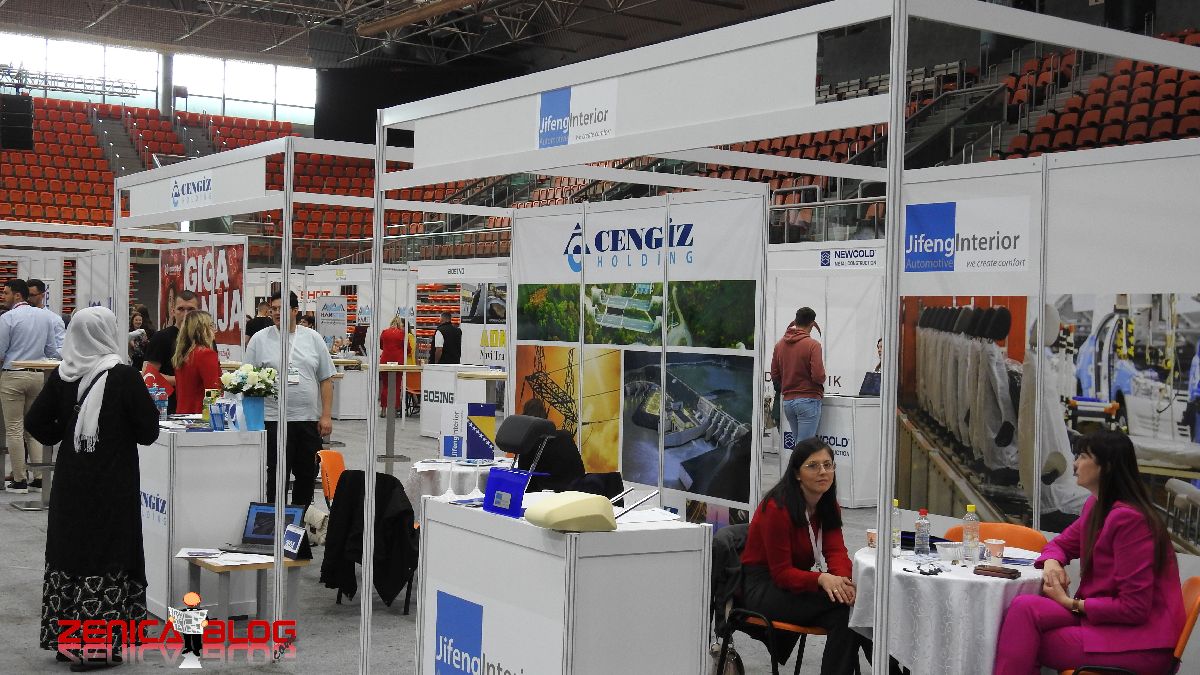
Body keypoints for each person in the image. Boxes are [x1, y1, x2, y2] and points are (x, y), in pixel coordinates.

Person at [25, 306, 159, 669]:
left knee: (70, 553)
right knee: (108, 555)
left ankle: (68, 640)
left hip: (71, 481)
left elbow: (36, 422)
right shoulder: (123, 376)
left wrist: (66, 430)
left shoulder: (63, 374)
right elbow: (149, 432)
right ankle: (97, 647)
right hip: (112, 483)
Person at [994, 430, 1184, 675]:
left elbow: (1134, 608)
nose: (1075, 464)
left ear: (1107, 467)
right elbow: (1060, 545)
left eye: (1083, 456)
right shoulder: (1096, 505)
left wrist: (1069, 603)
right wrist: (1052, 563)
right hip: (1102, 620)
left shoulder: (1131, 521)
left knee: (1026, 640)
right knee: (1024, 608)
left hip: (1141, 642)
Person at [739, 437, 870, 674]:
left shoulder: (827, 504)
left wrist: (842, 582)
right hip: (763, 587)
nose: (823, 472)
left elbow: (836, 551)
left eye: (828, 465)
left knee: (855, 607)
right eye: (813, 466)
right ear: (797, 473)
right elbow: (781, 574)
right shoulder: (777, 508)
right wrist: (822, 579)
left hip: (795, 583)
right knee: (849, 610)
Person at [245, 290, 335, 506]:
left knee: (307, 473)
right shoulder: (259, 339)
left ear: (295, 311)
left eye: (281, 309)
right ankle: (276, 518)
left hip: (307, 420)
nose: (276, 313)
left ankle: (300, 520)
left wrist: (326, 416)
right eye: (273, 309)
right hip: (273, 419)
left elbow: (326, 379)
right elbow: (247, 379)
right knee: (277, 473)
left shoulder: (313, 338)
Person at [0, 279, 64, 493]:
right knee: (33, 425)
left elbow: (0, 351)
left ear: (17, 295)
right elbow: (52, 350)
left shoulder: (8, 318)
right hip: (38, 376)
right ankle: (39, 478)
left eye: (6, 293)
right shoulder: (46, 317)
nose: (3, 297)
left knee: (14, 428)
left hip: (13, 375)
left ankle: (19, 479)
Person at [771, 307, 826, 446]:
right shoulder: (813, 345)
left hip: (788, 401)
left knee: (799, 445)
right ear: (812, 324)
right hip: (808, 399)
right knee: (804, 447)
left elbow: (775, 374)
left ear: (795, 321)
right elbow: (818, 375)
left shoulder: (779, 345)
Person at [142, 289, 199, 415]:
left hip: (198, 407)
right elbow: (149, 375)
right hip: (168, 408)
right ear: (173, 311)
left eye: (191, 309)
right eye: (181, 309)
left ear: (198, 312)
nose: (186, 314)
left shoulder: (205, 339)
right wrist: (183, 380)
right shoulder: (161, 338)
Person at [515, 398, 585, 492]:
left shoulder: (528, 443)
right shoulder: (565, 436)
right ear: (545, 415)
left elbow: (524, 475)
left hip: (541, 492)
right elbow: (579, 470)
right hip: (571, 489)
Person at [171, 311, 222, 415]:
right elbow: (212, 391)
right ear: (202, 329)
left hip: (182, 413)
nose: (214, 329)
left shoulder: (183, 355)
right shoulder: (206, 354)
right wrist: (212, 418)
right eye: (211, 325)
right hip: (200, 415)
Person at [379, 316, 416, 416]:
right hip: (398, 362)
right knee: (396, 387)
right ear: (400, 324)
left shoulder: (384, 332)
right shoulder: (402, 334)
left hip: (384, 361)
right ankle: (394, 410)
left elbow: (381, 346)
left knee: (385, 386)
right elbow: (408, 349)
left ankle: (383, 410)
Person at [128, 306, 154, 372]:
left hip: (143, 360)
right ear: (132, 321)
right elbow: (134, 347)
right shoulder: (130, 332)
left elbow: (146, 344)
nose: (138, 322)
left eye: (140, 320)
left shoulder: (143, 332)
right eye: (136, 320)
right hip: (133, 361)